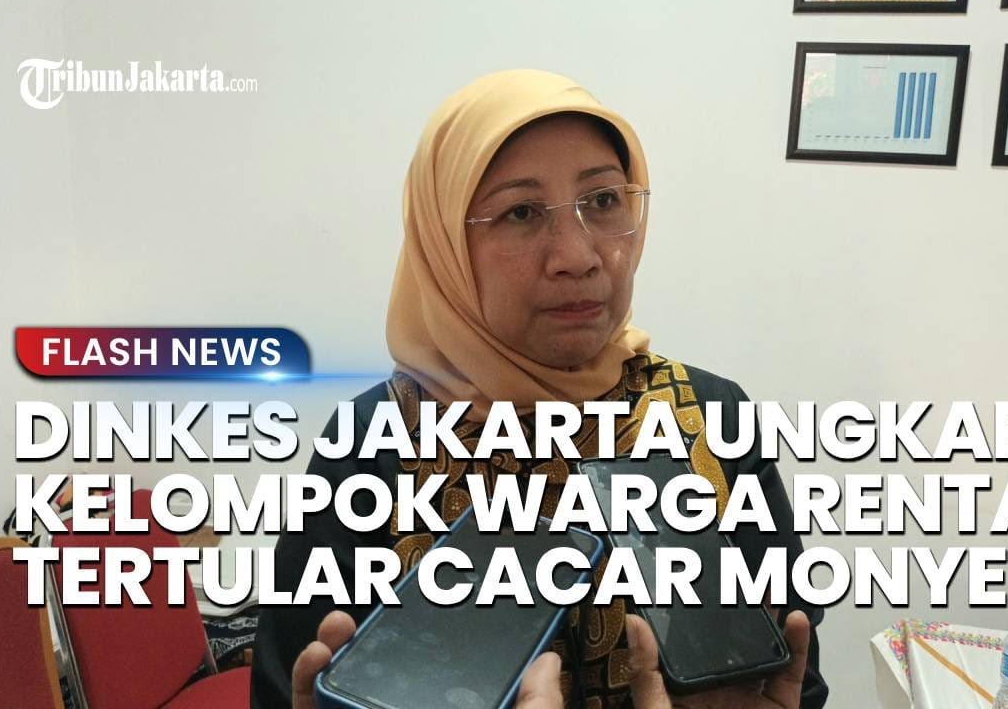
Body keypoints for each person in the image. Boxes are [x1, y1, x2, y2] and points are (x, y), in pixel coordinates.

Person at [251, 69, 829, 709]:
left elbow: (793, 678)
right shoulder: (373, 440)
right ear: (444, 244)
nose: (578, 256)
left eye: (603, 201)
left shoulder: (711, 414)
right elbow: (286, 685)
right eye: (521, 212)